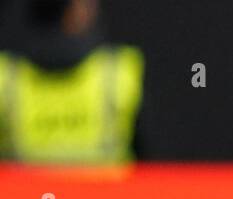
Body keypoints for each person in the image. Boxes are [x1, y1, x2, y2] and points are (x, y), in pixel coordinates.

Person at [0, 0, 145, 164]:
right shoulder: (119, 73)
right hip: (107, 189)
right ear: (76, 10)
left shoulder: (5, 77)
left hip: (25, 191)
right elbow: (155, 167)